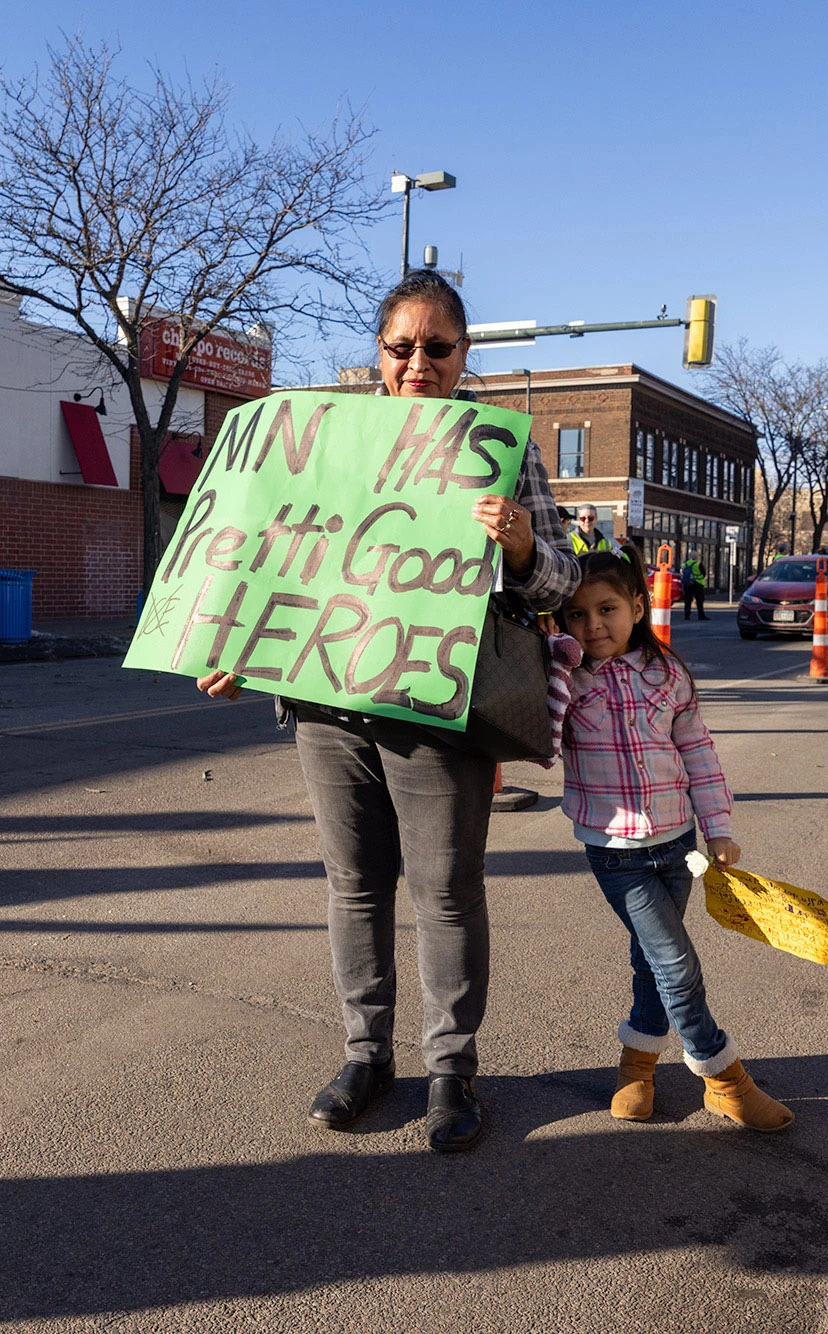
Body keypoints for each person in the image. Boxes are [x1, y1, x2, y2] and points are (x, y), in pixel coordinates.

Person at [194, 270, 579, 1153]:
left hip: (440, 707)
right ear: (379, 352)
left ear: (464, 354)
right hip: (331, 704)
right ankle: (366, 1056)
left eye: (436, 348)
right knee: (353, 887)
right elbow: (273, 560)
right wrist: (238, 649)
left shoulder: (498, 447)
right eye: (400, 347)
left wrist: (521, 544)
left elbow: (558, 581)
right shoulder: (328, 435)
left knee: (446, 893)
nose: (417, 364)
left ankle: (453, 1068)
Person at [559, 551, 793, 1132]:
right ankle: (724, 1079)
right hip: (614, 851)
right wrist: (551, 667)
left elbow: (699, 754)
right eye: (577, 614)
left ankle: (636, 1066)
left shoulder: (668, 675)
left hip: (677, 843)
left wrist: (719, 828)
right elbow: (534, 743)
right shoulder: (564, 680)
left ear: (637, 607)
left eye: (607, 608)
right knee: (675, 963)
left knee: (651, 962)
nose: (594, 625)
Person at [681, 554, 709, 620]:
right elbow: (703, 573)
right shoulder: (698, 564)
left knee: (687, 600)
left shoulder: (685, 564)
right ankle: (701, 615)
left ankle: (687, 615)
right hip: (697, 584)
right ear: (695, 557)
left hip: (687, 584)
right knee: (699, 600)